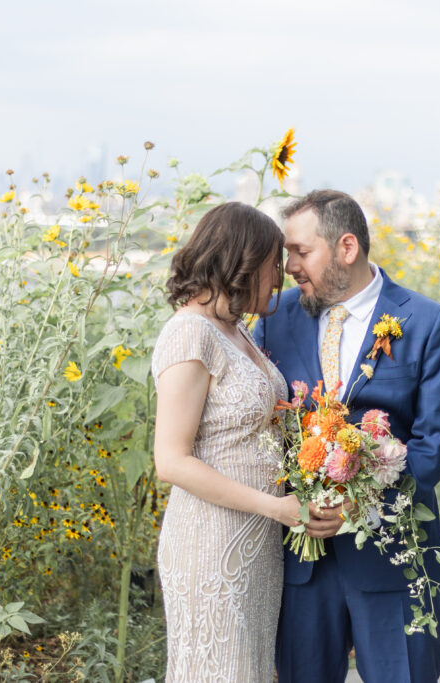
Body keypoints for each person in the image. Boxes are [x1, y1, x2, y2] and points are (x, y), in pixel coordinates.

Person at [253, 190, 440, 683]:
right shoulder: (274, 317)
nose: (289, 267)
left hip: (392, 554)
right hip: (302, 561)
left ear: (347, 247)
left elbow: (437, 443)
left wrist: (360, 504)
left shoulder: (428, 323)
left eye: (301, 252)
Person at [151, 202, 316, 682]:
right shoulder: (189, 335)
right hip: (211, 542)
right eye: (272, 262)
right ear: (240, 262)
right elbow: (172, 461)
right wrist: (275, 507)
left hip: (257, 543)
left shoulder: (234, 329)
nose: (282, 273)